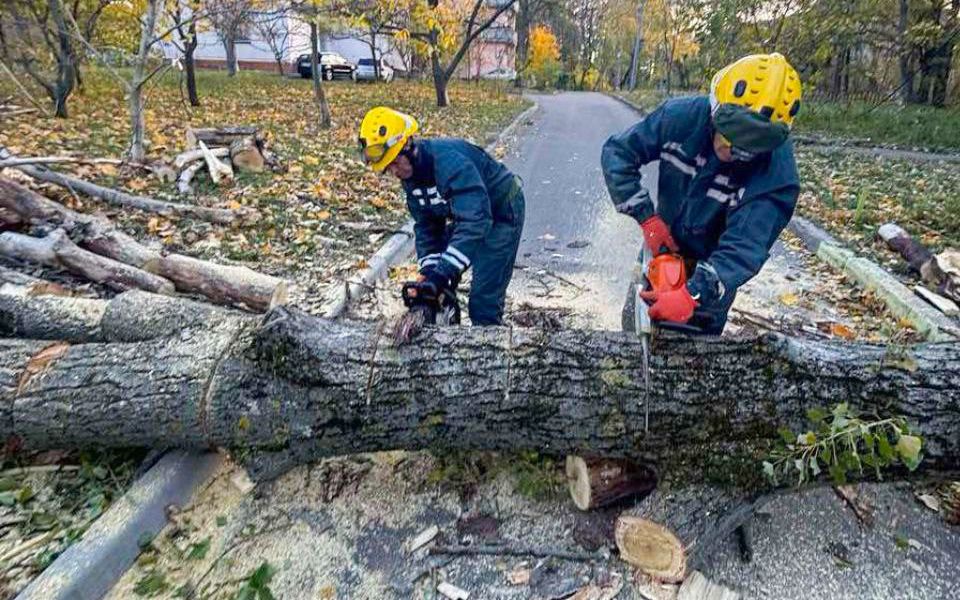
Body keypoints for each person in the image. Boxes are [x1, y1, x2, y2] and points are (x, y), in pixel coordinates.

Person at [602, 53, 802, 335]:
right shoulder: (679, 119)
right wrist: (646, 217)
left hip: (715, 263)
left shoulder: (776, 175)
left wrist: (694, 294)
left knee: (695, 354)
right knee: (634, 323)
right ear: (715, 109)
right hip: (663, 242)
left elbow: (745, 247)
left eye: (748, 149)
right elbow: (619, 153)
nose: (733, 152)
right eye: (730, 137)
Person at [358, 106, 525, 326]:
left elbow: (476, 222)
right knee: (439, 274)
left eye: (396, 163)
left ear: (408, 146)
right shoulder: (411, 176)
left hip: (501, 212)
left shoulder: (450, 163)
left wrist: (443, 273)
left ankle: (493, 345)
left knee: (483, 300)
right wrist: (430, 272)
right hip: (469, 212)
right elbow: (427, 226)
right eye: (388, 169)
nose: (395, 172)